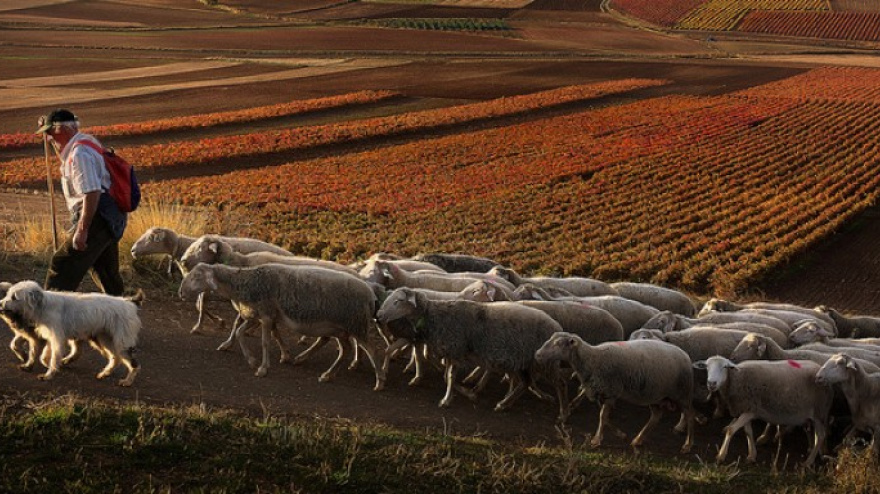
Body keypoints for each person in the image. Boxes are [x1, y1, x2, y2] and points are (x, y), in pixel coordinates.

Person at [36, 109, 127, 295]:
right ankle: (123, 315)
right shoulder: (86, 141)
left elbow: (92, 192)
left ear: (62, 129)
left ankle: (49, 316)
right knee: (105, 271)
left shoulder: (79, 154)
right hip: (110, 214)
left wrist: (82, 230)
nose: (48, 137)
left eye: (51, 132)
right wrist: (49, 133)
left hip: (96, 216)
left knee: (62, 264)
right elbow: (65, 154)